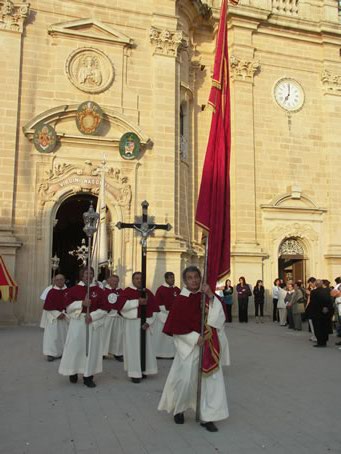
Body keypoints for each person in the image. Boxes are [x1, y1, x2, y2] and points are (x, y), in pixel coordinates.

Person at [158, 266, 230, 433]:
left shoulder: (206, 297)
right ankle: (179, 408)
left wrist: (211, 296)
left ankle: (208, 416)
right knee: (185, 380)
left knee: (209, 383)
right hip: (189, 348)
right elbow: (175, 325)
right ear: (185, 281)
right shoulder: (181, 300)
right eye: (190, 278)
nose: (194, 280)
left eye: (196, 277)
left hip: (208, 345)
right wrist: (192, 338)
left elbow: (220, 317)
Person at [58, 267, 110, 388]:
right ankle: (73, 371)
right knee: (75, 348)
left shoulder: (99, 290)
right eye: (86, 273)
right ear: (82, 275)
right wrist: (81, 303)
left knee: (91, 350)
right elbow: (68, 307)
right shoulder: (74, 290)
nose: (89, 275)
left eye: (91, 273)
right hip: (78, 322)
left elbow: (105, 308)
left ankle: (88, 376)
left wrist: (92, 316)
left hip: (92, 323)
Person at [116, 272, 159, 383]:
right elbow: (122, 307)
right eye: (137, 278)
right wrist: (137, 302)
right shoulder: (127, 292)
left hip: (145, 325)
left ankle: (144, 370)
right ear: (133, 280)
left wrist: (148, 322)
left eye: (141, 278)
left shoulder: (148, 292)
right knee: (133, 348)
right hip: (132, 324)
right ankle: (135, 373)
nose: (139, 280)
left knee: (146, 348)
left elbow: (155, 310)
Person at [153, 272, 180, 358]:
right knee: (162, 336)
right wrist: (167, 313)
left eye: (173, 277)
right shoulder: (161, 289)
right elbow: (158, 303)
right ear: (166, 279)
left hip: (175, 315)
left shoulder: (177, 289)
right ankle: (159, 353)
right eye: (171, 278)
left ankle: (172, 354)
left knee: (172, 337)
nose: (173, 279)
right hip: (164, 315)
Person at [42, 274, 68, 361]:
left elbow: (71, 304)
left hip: (65, 317)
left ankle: (63, 352)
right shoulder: (51, 292)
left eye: (61, 279)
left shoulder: (68, 291)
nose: (59, 281)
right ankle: (51, 353)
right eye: (57, 280)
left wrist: (64, 313)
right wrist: (57, 314)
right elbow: (48, 306)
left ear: (64, 280)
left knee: (64, 336)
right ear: (54, 281)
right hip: (53, 317)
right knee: (52, 336)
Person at [102, 274, 124, 361]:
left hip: (118, 316)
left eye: (116, 281)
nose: (115, 283)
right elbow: (102, 301)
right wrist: (107, 310)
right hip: (107, 316)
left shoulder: (121, 291)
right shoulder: (104, 291)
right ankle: (103, 353)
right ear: (109, 281)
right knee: (105, 335)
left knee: (118, 336)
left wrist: (120, 311)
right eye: (113, 281)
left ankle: (117, 353)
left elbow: (124, 301)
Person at [309, 280, 334, 347]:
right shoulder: (327, 290)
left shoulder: (313, 292)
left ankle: (320, 342)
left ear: (316, 285)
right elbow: (330, 300)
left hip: (317, 313)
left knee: (318, 328)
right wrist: (327, 308)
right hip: (325, 312)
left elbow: (312, 303)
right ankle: (325, 341)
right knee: (324, 327)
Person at [305, 277, 317, 341]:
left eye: (310, 284)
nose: (310, 285)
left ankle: (315, 336)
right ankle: (313, 335)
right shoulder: (311, 290)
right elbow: (309, 300)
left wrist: (310, 293)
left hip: (315, 309)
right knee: (311, 322)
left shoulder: (316, 290)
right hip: (311, 308)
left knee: (314, 323)